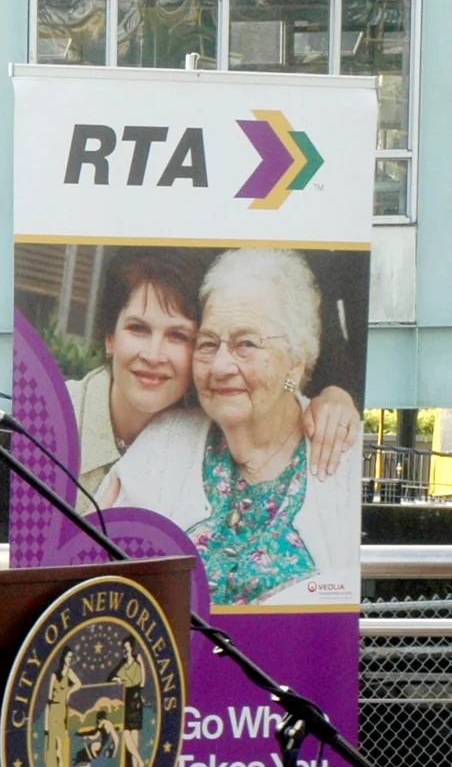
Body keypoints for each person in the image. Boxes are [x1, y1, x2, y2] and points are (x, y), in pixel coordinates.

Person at [102, 248, 359, 606]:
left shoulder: (342, 454)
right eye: (208, 344)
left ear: (296, 362)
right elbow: (101, 569)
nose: (221, 365)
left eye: (246, 344)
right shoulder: (163, 445)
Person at [67, 254, 357, 505]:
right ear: (109, 338)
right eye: (138, 329)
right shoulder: (51, 423)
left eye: (178, 335)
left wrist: (336, 396)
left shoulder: (215, 407)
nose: (154, 355)